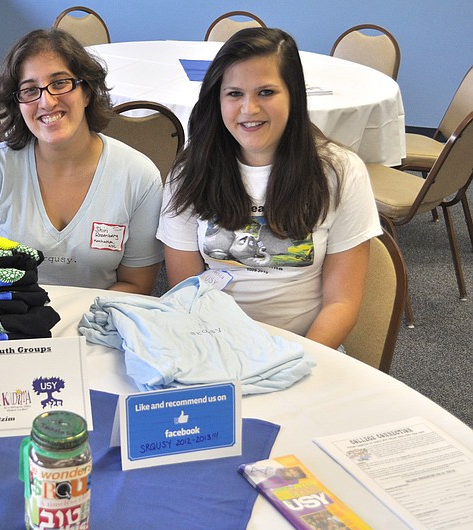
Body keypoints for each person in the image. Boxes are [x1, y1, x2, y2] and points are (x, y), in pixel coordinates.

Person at [157, 28, 381, 349]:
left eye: (266, 92)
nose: (249, 109)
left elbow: (341, 303)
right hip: (212, 342)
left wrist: (293, 359)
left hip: (307, 347)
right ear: (217, 99)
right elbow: (186, 292)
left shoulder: (340, 171)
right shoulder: (189, 172)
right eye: (234, 93)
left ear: (294, 95)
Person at [0, 29, 163, 294]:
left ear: (87, 92)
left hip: (101, 323)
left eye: (60, 83)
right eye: (30, 90)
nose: (47, 101)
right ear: (18, 104)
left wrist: (80, 326)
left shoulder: (139, 177)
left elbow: (137, 284)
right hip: (9, 320)